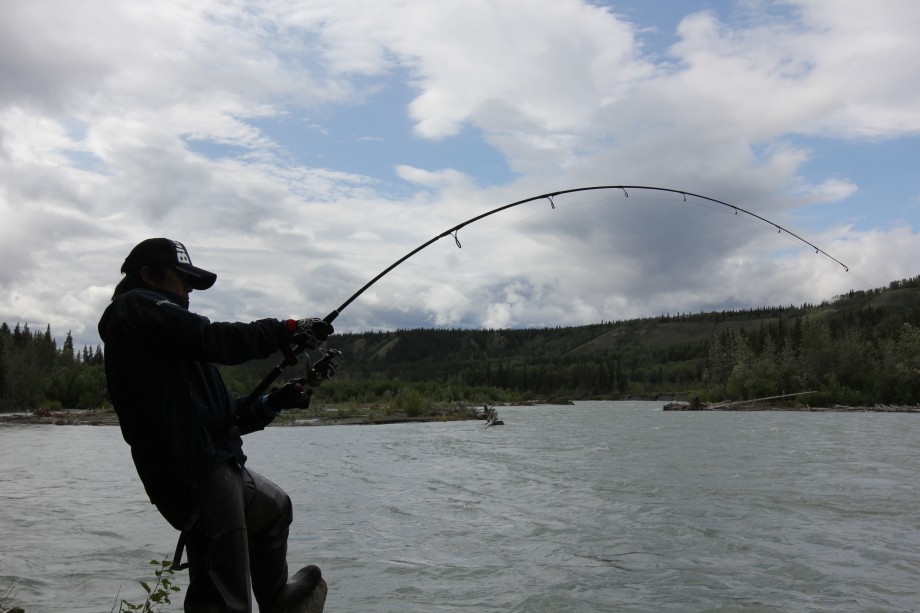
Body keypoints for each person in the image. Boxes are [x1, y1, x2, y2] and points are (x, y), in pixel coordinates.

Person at [98, 238, 331, 612]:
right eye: (182, 278)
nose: (188, 289)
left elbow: (230, 416)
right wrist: (285, 329)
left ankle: (279, 601)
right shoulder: (134, 307)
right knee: (225, 600)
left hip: (220, 465)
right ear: (148, 275)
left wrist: (279, 400)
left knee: (276, 509)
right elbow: (213, 338)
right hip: (193, 473)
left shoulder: (174, 343)